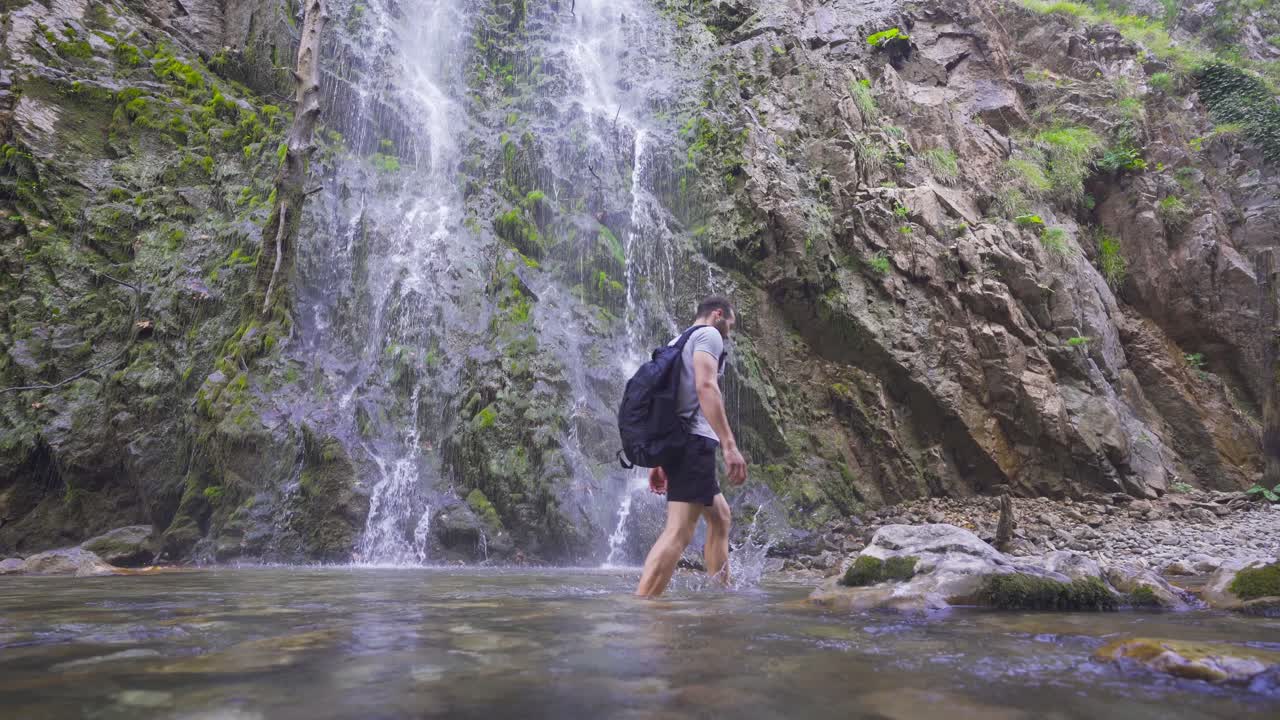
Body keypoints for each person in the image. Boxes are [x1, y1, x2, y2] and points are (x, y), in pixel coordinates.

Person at [635, 296, 748, 597]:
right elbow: (705, 386)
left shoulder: (678, 340)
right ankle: (642, 605)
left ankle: (719, 596)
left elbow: (672, 400)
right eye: (730, 327)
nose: (728, 334)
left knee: (720, 516)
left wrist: (662, 458)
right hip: (694, 442)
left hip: (679, 441)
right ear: (718, 314)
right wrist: (729, 445)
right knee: (679, 531)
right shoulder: (709, 335)